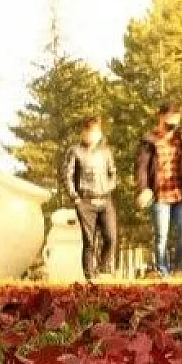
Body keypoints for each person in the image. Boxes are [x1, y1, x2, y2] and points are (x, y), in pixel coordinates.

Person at [134, 103, 182, 276]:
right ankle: (162, 270)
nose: (173, 123)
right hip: (160, 195)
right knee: (162, 236)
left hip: (179, 192)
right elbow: (142, 167)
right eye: (170, 118)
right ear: (161, 117)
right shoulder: (149, 140)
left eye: (176, 119)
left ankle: (177, 267)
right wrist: (143, 188)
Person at [62, 116, 118, 280]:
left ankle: (103, 269)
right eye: (89, 131)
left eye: (95, 131)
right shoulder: (75, 151)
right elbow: (67, 175)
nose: (92, 134)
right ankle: (90, 275)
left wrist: (109, 187)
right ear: (83, 132)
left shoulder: (105, 152)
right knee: (89, 240)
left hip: (105, 199)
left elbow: (113, 173)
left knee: (111, 237)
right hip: (85, 200)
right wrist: (75, 197)